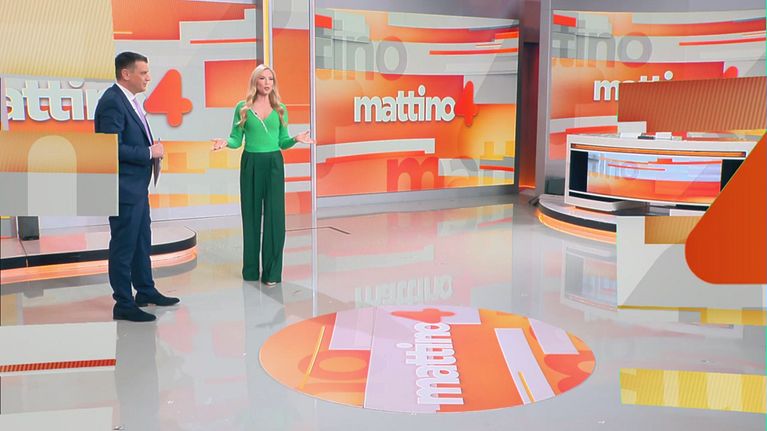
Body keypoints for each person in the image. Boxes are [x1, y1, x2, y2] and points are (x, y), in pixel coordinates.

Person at [95, 52, 180, 322]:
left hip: (137, 188)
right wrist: (149, 152)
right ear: (126, 74)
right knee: (123, 246)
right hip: (123, 189)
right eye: (143, 73)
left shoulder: (130, 101)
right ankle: (123, 302)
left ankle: (145, 290)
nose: (148, 78)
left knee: (141, 241)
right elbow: (109, 148)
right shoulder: (112, 102)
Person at [212, 64, 313, 286]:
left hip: (274, 164)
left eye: (270, 79)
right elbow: (236, 139)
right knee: (251, 216)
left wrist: (295, 139)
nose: (267, 83)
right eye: (262, 78)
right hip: (251, 163)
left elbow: (282, 142)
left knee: (275, 218)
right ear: (255, 82)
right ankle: (250, 270)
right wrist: (225, 142)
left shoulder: (280, 109)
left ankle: (272, 273)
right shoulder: (242, 108)